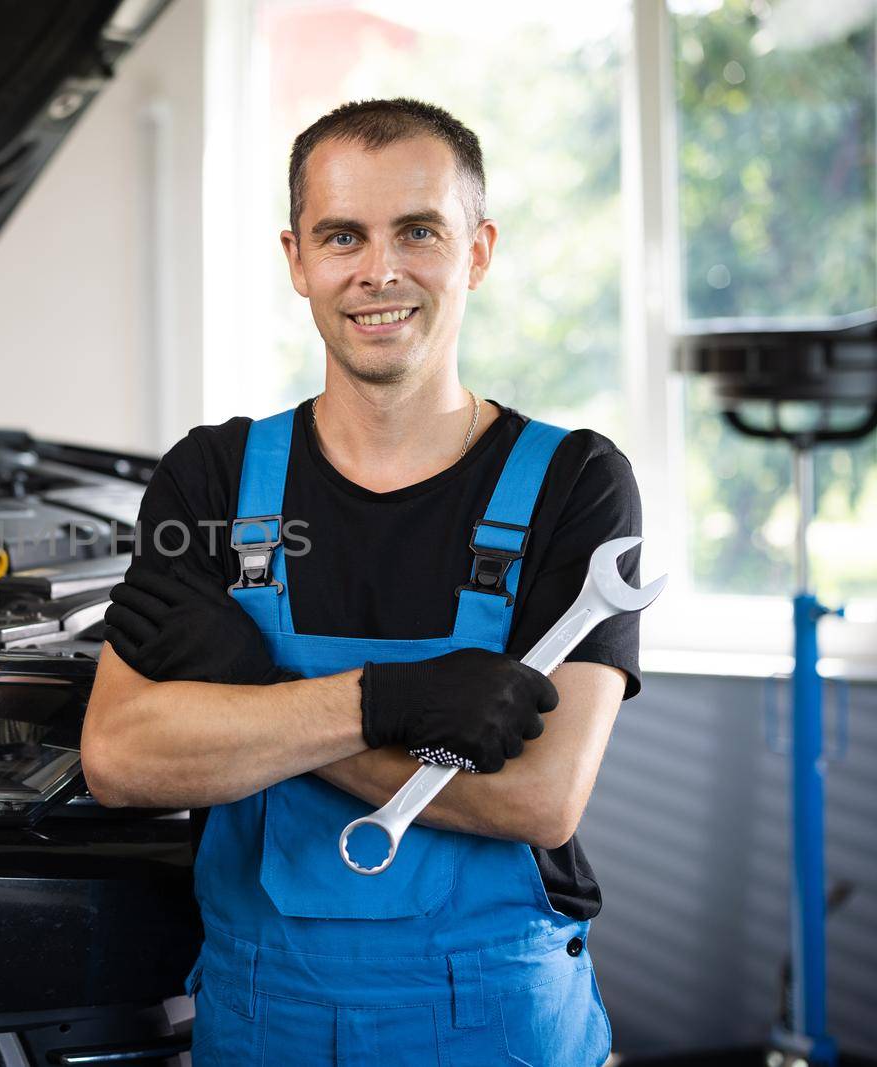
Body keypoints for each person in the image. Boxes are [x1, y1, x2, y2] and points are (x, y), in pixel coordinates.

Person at [80, 98, 641, 1066]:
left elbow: (537, 799)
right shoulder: (210, 478)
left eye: (417, 230)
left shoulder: (574, 481)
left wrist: (253, 694)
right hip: (261, 1012)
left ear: (476, 250)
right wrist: (389, 703)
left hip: (496, 1015)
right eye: (343, 235)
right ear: (297, 259)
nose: (378, 270)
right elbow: (124, 757)